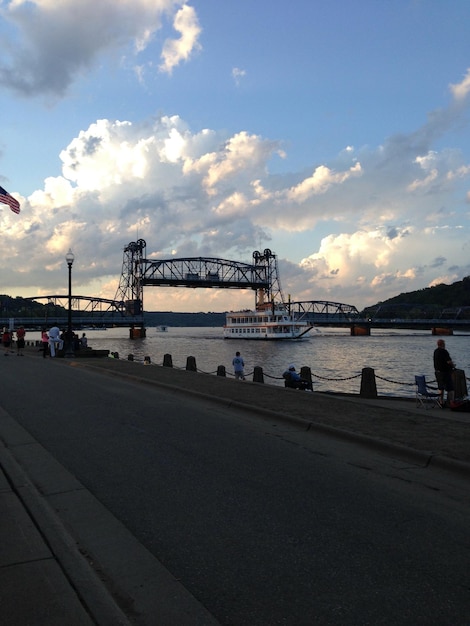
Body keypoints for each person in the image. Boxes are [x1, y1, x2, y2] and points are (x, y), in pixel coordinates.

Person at [433, 339, 455, 407]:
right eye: (444, 343)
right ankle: (450, 402)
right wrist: (453, 365)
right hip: (445, 372)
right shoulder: (444, 351)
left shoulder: (435, 351)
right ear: (443, 344)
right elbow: (449, 361)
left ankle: (441, 402)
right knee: (450, 388)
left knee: (441, 387)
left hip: (437, 372)